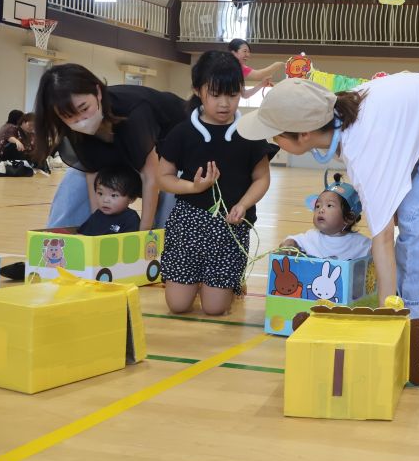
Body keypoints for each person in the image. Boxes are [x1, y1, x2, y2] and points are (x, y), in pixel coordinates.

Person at [236, 69, 419, 321]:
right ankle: (398, 306)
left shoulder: (365, 147)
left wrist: (385, 314)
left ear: (304, 134)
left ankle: (409, 317)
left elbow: (383, 237)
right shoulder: (339, 117)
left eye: (275, 134)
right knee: (400, 212)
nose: (273, 141)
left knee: (415, 217)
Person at [157, 51, 278, 316]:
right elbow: (163, 177)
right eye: (215, 94)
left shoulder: (249, 130)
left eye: (232, 95)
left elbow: (262, 178)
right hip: (187, 226)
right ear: (198, 91)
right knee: (177, 306)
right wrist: (193, 188)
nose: (224, 104)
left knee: (214, 309)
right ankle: (198, 281)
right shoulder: (182, 132)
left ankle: (226, 283)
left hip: (230, 229)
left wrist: (243, 205)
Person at [32, 64, 187, 231]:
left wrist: (145, 234)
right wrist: (99, 225)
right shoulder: (71, 128)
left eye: (84, 108)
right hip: (124, 158)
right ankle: (58, 245)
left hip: (177, 154)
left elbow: (151, 177)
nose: (81, 119)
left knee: (171, 192)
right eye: (69, 116)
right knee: (73, 180)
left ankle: (167, 246)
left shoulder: (133, 111)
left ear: (98, 92)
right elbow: (93, 172)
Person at [280, 173, 372, 259]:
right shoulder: (311, 237)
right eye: (318, 206)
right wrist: (289, 244)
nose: (321, 210)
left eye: (329, 205)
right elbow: (291, 240)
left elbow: (378, 252)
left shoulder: (361, 244)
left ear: (348, 217)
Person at [77, 166, 142, 236]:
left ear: (131, 198)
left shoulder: (130, 218)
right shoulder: (97, 214)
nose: (105, 200)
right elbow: (82, 235)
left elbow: (132, 242)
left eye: (113, 195)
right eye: (100, 193)